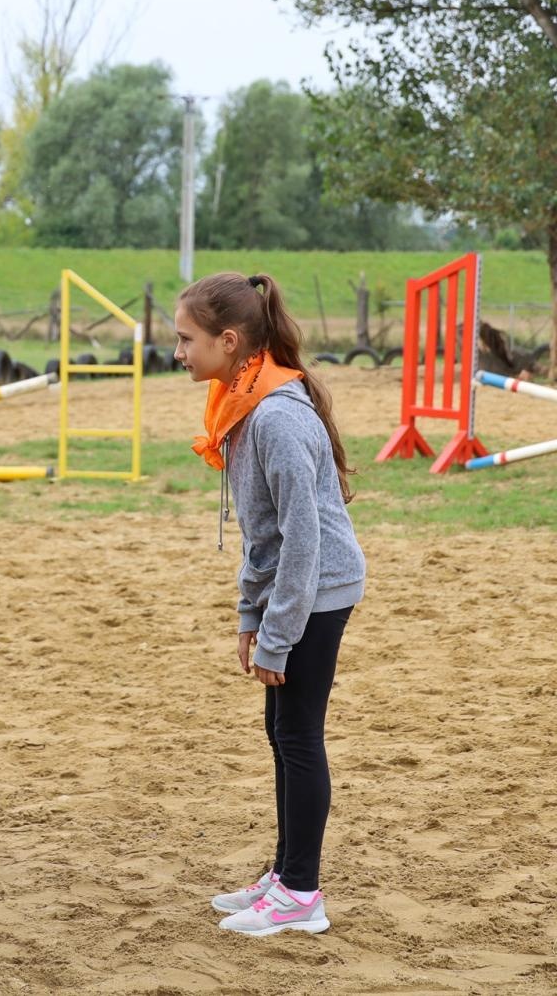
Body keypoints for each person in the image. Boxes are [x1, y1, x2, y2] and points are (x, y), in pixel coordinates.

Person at [174, 271, 366, 938]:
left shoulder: (278, 416)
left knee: (298, 736)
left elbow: (304, 544)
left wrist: (278, 634)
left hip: (319, 590)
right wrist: (250, 617)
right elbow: (265, 533)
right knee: (280, 732)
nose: (178, 352)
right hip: (294, 590)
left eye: (186, 339)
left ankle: (302, 896)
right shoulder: (244, 405)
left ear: (229, 342)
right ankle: (285, 874)